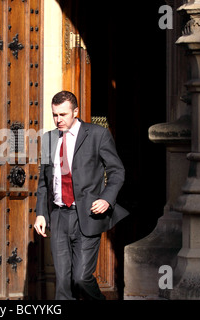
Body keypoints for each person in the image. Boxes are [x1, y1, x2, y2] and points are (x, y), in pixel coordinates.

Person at [34, 91, 129, 300]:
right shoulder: (49, 138)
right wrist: (41, 213)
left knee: (81, 277)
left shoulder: (97, 134)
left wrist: (106, 198)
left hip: (86, 215)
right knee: (63, 283)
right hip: (58, 215)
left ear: (76, 112)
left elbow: (116, 171)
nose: (58, 120)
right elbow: (44, 182)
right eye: (55, 115)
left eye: (63, 115)